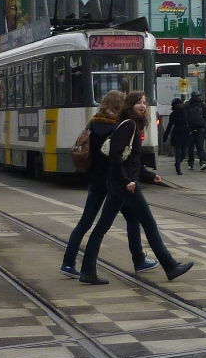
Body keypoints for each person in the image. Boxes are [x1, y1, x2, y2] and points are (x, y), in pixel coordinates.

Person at [76, 91, 193, 285]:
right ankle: (170, 266)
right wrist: (126, 181)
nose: (143, 106)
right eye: (139, 102)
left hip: (120, 183)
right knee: (149, 224)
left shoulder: (132, 124)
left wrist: (149, 175)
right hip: (125, 185)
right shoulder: (128, 125)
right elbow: (115, 156)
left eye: (145, 103)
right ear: (129, 105)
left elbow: (131, 160)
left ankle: (87, 271)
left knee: (102, 227)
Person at [60, 92, 153, 278]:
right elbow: (121, 157)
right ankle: (139, 260)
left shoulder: (93, 123)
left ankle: (68, 262)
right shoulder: (120, 127)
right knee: (132, 219)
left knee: (85, 222)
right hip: (115, 182)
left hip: (96, 180)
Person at [164, 96, 191, 174]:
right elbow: (170, 125)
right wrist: (165, 135)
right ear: (176, 105)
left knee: (184, 151)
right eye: (180, 103)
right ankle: (178, 167)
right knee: (178, 151)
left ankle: (178, 162)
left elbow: (189, 122)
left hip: (185, 133)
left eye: (181, 103)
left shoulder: (185, 111)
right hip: (177, 133)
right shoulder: (173, 114)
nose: (182, 104)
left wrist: (190, 130)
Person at [185, 92, 206, 170]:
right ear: (194, 97)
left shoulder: (202, 105)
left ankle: (203, 162)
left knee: (200, 146)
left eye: (199, 95)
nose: (199, 97)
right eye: (198, 96)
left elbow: (205, 116)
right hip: (191, 129)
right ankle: (191, 162)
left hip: (200, 128)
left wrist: (205, 126)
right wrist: (187, 128)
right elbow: (185, 117)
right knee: (191, 147)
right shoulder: (188, 105)